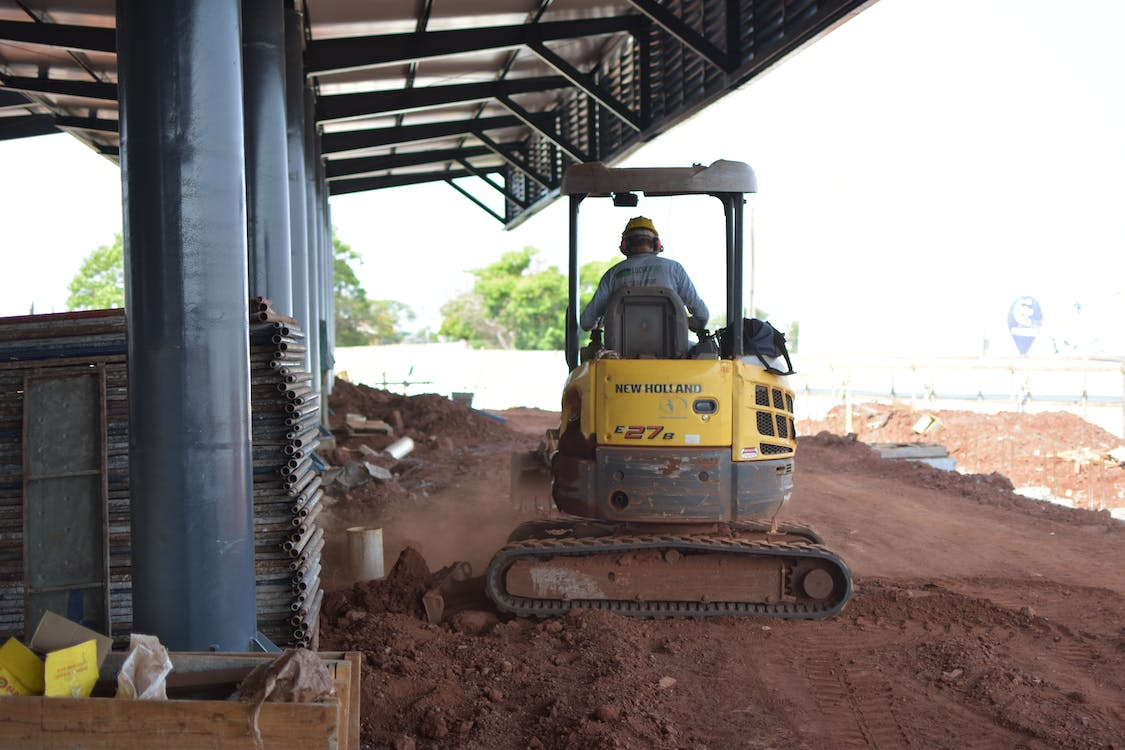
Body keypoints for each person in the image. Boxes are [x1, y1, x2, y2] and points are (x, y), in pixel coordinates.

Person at [580, 216, 709, 331]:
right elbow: (702, 316)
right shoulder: (674, 269)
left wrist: (605, 321)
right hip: (672, 354)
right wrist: (681, 322)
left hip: (620, 356)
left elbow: (586, 322)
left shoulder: (612, 275)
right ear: (657, 244)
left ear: (625, 244)